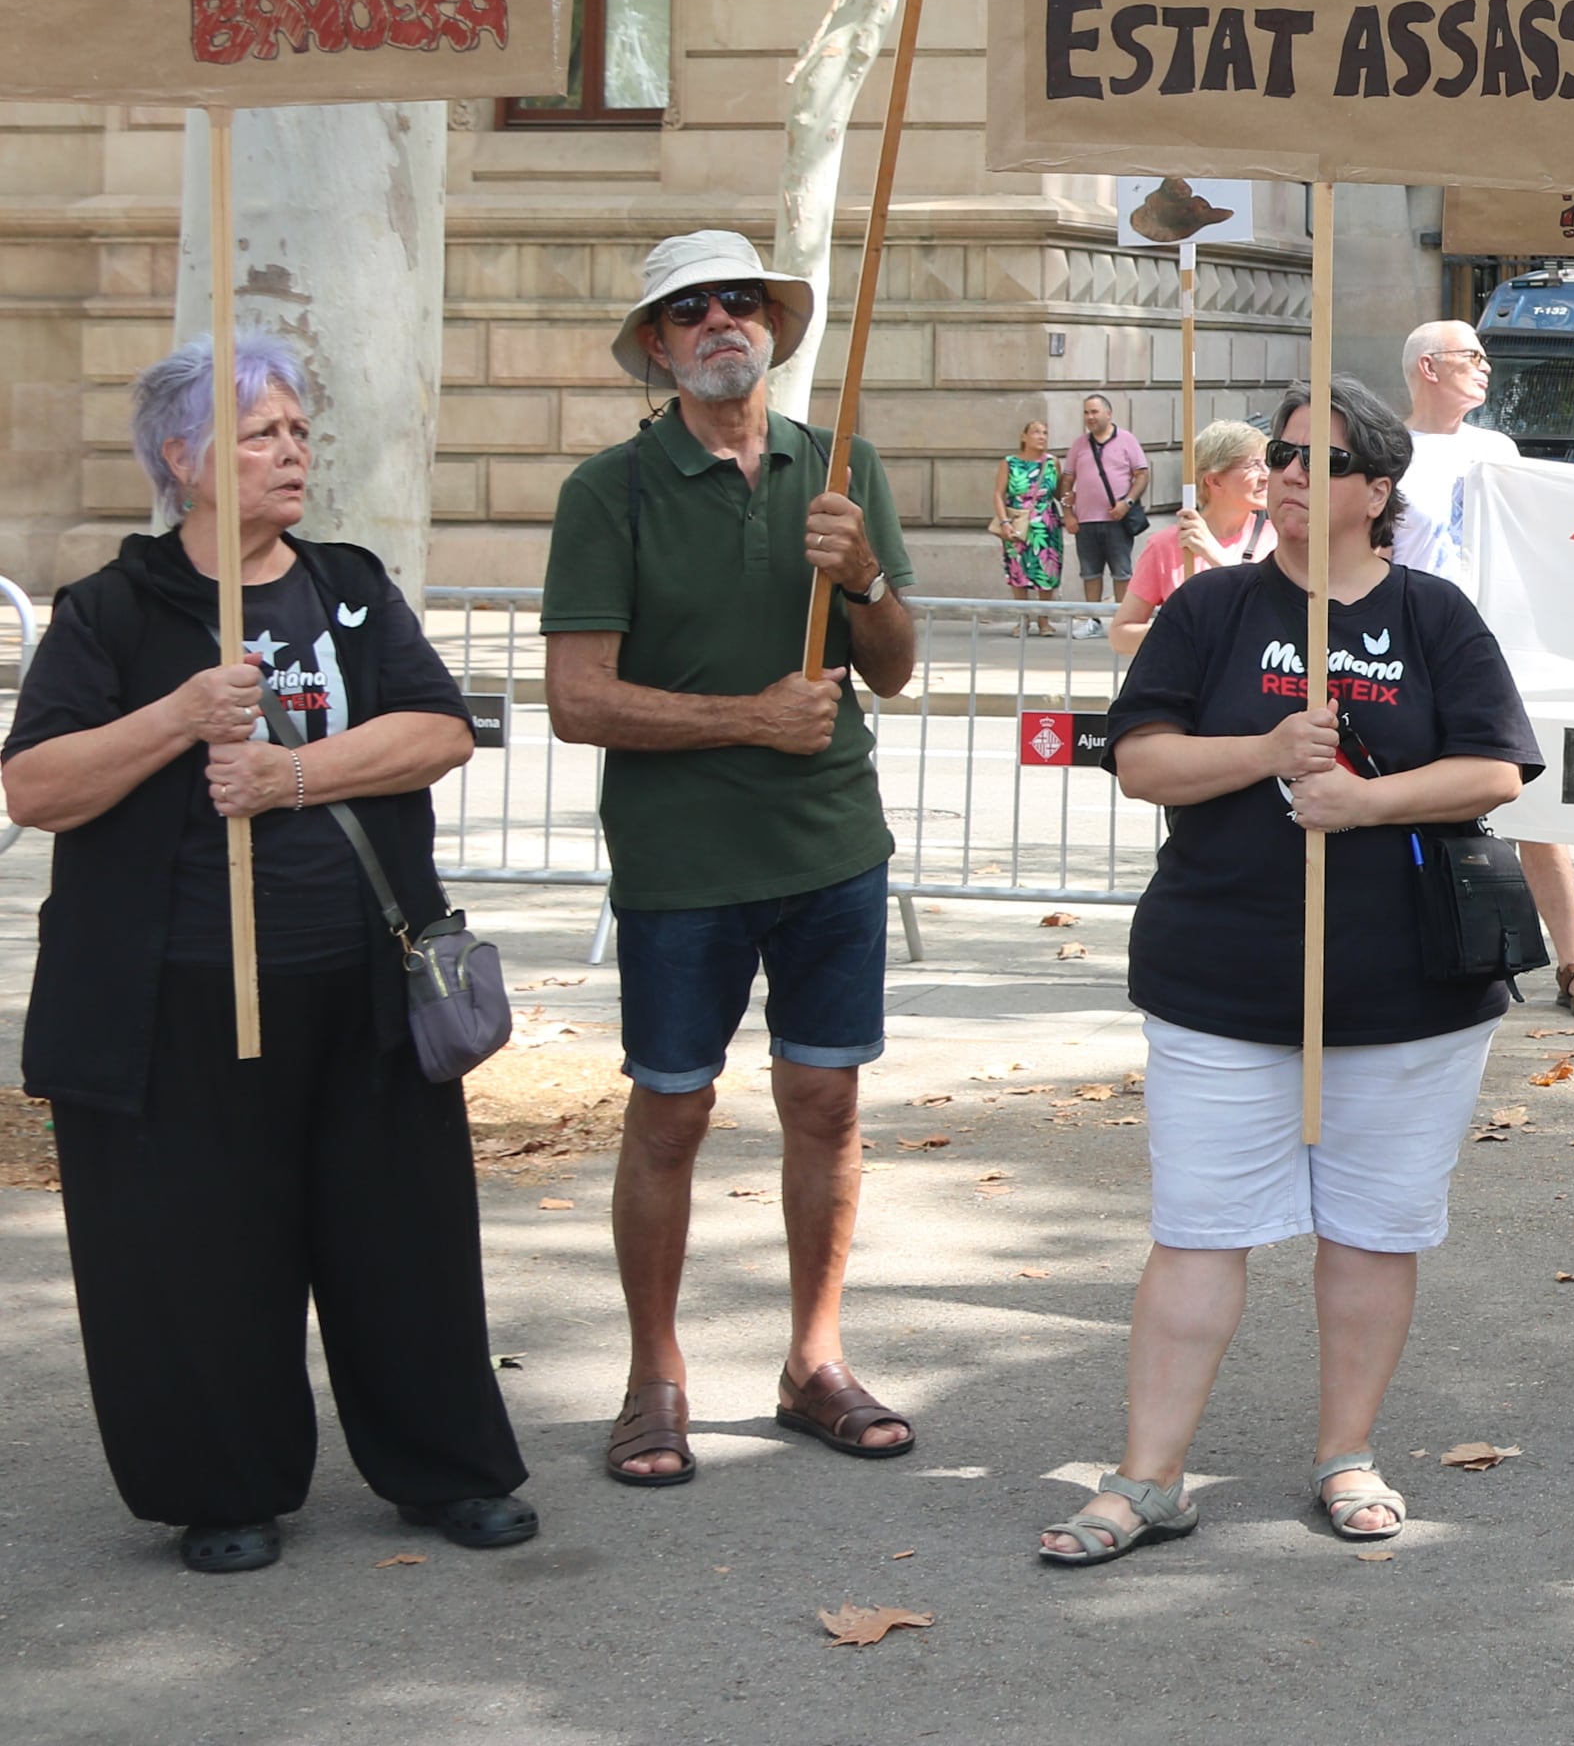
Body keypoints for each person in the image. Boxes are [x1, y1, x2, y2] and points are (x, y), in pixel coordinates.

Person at [3, 336, 533, 1575]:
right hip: (168, 995)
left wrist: (290, 772)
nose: (292, 450)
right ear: (182, 459)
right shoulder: (112, 609)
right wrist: (180, 715)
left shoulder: (348, 585)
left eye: (298, 430)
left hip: (360, 977)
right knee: (198, 1249)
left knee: (399, 1241)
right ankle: (222, 1484)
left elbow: (440, 729)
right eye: (260, 432)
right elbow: (34, 786)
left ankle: (445, 1468)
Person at [1039, 377, 1544, 1563]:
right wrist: (1265, 749)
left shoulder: (1433, 615)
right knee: (1199, 1228)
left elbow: (1495, 769)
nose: (1294, 470)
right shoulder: (1211, 607)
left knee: (1372, 1232)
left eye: (1327, 456)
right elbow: (1143, 759)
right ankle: (1148, 1476)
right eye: (1283, 451)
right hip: (1225, 975)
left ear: (1379, 489)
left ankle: (1346, 1453)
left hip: (1404, 990)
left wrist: (1365, 800)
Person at [540, 231, 921, 1490]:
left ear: (774, 325)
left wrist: (862, 575)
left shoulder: (841, 463)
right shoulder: (612, 489)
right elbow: (578, 700)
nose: (719, 320)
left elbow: (895, 666)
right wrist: (748, 718)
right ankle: (655, 1377)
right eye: (688, 307)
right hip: (680, 862)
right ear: (657, 346)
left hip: (830, 844)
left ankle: (815, 1360)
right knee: (672, 1113)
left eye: (740, 300)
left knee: (826, 1102)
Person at [1398, 317, 1574, 1022]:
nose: (1487, 368)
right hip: (1411, 647)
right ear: (1429, 367)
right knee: (1411, 799)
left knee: (1535, 802)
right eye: (1473, 356)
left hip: (1496, 647)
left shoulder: (1497, 448)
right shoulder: (1387, 449)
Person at [1113, 418, 1276, 658]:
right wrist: (1177, 632)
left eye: (1267, 464)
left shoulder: (1281, 540)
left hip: (1252, 687)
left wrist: (1217, 557)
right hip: (1188, 689)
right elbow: (1120, 634)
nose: (1266, 475)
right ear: (1215, 480)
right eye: (1254, 465)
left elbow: (1283, 619)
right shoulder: (1166, 546)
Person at [1064, 392, 1149, 611]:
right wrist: (1068, 513)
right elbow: (1068, 479)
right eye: (1086, 412)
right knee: (1090, 573)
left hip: (1117, 519)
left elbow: (1142, 475)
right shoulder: (1079, 444)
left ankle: (1121, 618)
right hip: (1086, 521)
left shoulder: (1127, 440)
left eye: (1094, 412)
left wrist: (1127, 503)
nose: (1090, 417)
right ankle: (1093, 618)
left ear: (1108, 414)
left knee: (1121, 572)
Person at [994, 414, 1069, 610]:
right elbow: (998, 494)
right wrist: (1004, 522)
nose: (1042, 436)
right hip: (1017, 521)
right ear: (1024, 437)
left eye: (1045, 433)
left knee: (1047, 569)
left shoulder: (1053, 463)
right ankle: (1023, 618)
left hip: (1046, 524)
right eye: (1036, 432)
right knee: (1018, 569)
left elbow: (1059, 493)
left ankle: (1044, 619)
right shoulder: (1009, 462)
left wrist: (1071, 497)